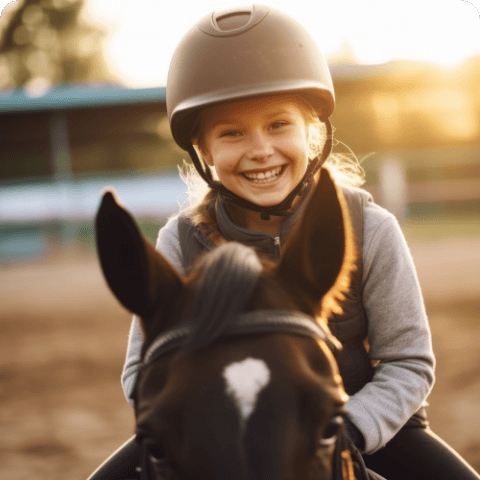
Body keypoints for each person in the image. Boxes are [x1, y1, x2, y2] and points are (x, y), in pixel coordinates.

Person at [90, 5, 479, 480]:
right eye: (232, 133)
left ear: (311, 135)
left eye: (278, 125)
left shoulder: (372, 229)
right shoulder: (179, 241)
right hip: (211, 434)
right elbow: (139, 373)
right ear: (205, 152)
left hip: (360, 425)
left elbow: (408, 361)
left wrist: (348, 430)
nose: (260, 149)